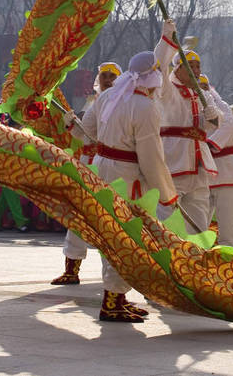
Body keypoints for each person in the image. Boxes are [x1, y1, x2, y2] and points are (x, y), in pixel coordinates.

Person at [69, 50, 179, 322]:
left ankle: (116, 296)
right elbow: (151, 157)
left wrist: (72, 124)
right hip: (128, 178)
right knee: (126, 237)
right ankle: (112, 301)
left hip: (104, 169)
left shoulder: (108, 96)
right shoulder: (144, 107)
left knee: (113, 234)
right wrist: (166, 193)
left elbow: (88, 131)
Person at [51, 61, 121, 285]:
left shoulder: (124, 103)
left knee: (112, 220)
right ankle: (72, 269)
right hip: (88, 163)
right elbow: (86, 134)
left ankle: (116, 276)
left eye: (113, 76)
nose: (108, 80)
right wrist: (74, 126)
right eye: (104, 76)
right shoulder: (96, 102)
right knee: (78, 216)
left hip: (114, 167)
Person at [154, 19, 220, 234]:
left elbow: (215, 126)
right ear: (178, 69)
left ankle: (196, 260)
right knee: (167, 214)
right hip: (174, 160)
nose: (195, 70)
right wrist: (167, 40)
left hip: (199, 165)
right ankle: (163, 256)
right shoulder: (168, 90)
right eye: (189, 66)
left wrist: (212, 117)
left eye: (198, 65)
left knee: (199, 217)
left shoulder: (202, 94)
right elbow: (159, 65)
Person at [205, 76, 233, 248]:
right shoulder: (190, 108)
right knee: (198, 221)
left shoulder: (221, 106)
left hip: (225, 170)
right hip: (204, 171)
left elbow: (227, 126)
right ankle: (197, 256)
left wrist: (207, 145)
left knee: (226, 222)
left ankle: (229, 260)